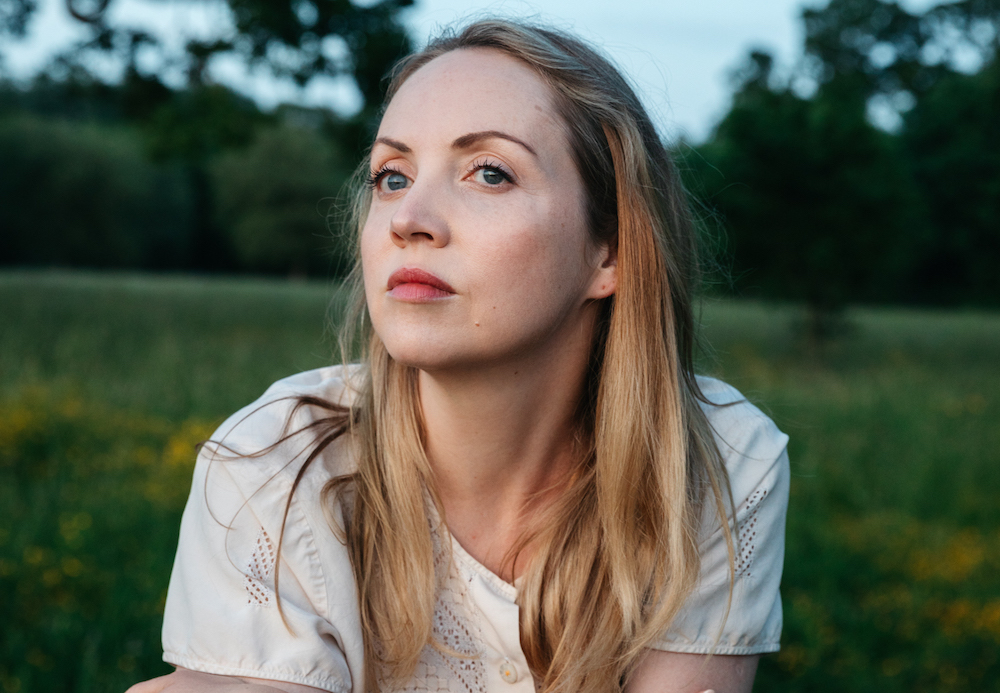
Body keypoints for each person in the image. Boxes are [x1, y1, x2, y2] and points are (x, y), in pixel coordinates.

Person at [127, 18, 789, 693]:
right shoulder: (276, 461)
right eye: (391, 175)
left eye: (490, 173)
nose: (409, 216)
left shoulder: (718, 461)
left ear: (610, 251)